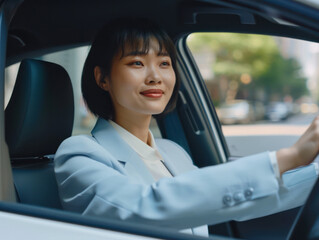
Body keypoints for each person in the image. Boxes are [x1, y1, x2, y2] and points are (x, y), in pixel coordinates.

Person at [54, 18, 319, 237]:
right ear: (102, 78)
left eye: (164, 63)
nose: (155, 76)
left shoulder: (172, 152)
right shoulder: (78, 154)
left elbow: (232, 199)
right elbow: (144, 206)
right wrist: (290, 157)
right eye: (137, 62)